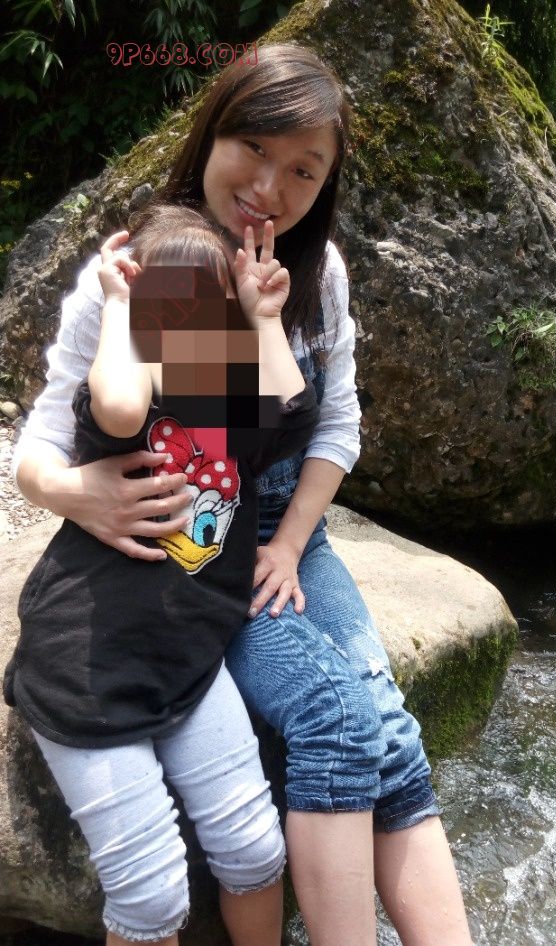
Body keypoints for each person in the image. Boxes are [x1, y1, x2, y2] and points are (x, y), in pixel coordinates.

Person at [12, 43, 474, 945]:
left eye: (303, 169)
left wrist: (292, 541)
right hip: (196, 548)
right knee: (336, 719)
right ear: (212, 135)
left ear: (326, 185)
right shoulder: (148, 265)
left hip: (286, 533)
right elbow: (42, 440)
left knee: (388, 726)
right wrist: (77, 491)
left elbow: (333, 426)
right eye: (255, 147)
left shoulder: (318, 275)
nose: (270, 186)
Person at [4, 205, 322, 946]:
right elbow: (118, 406)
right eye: (165, 304)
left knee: (256, 850)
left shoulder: (231, 408)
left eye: (206, 304)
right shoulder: (123, 403)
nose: (186, 323)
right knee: (151, 898)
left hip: (189, 662)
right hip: (87, 667)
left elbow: (292, 409)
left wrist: (262, 316)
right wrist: (117, 303)